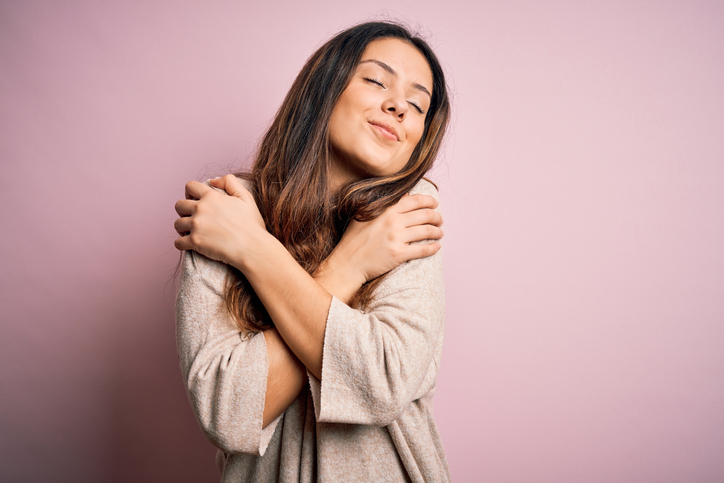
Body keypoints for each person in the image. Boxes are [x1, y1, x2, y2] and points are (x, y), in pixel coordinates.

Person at [173, 21, 451, 482]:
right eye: (376, 80)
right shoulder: (230, 212)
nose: (398, 106)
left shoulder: (409, 215)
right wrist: (348, 267)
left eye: (418, 105)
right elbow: (227, 411)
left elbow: (382, 381)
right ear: (324, 88)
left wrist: (252, 249)